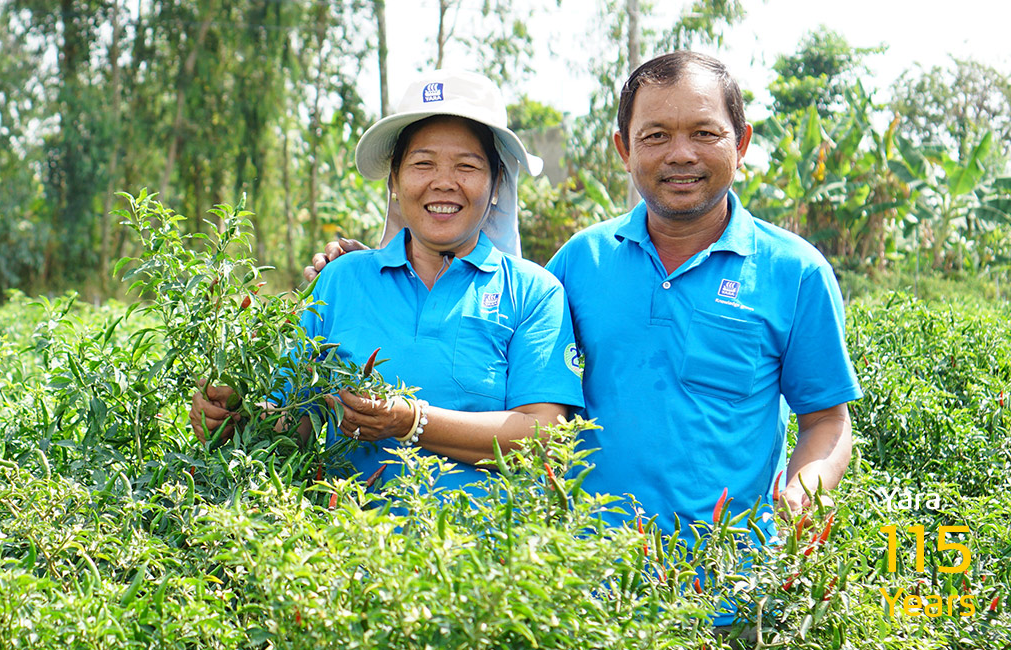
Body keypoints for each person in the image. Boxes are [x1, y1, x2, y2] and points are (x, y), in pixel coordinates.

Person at [308, 52, 861, 571]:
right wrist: (364, 272)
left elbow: (828, 422)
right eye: (655, 136)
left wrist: (800, 491)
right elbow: (481, 317)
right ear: (624, 149)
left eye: (704, 133)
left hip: (725, 579)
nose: (681, 154)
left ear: (740, 143)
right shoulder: (580, 262)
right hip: (581, 579)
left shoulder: (795, 272)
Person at [191, 69, 584, 499]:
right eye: (422, 164)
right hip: (349, 549)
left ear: (495, 186)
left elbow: (544, 433)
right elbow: (293, 423)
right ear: (394, 182)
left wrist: (412, 421)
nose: (443, 182)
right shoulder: (341, 280)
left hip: (483, 558)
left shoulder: (533, 293)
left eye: (467, 166)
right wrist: (235, 419)